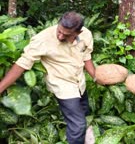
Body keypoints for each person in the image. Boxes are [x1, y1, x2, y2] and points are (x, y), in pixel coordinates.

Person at [0, 11, 97, 144]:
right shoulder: (43, 39)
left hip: (79, 82)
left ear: (77, 33)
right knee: (78, 125)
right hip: (62, 85)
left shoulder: (86, 35)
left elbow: (87, 57)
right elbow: (22, 64)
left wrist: (96, 77)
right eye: (59, 31)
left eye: (66, 34)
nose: (60, 36)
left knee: (85, 112)